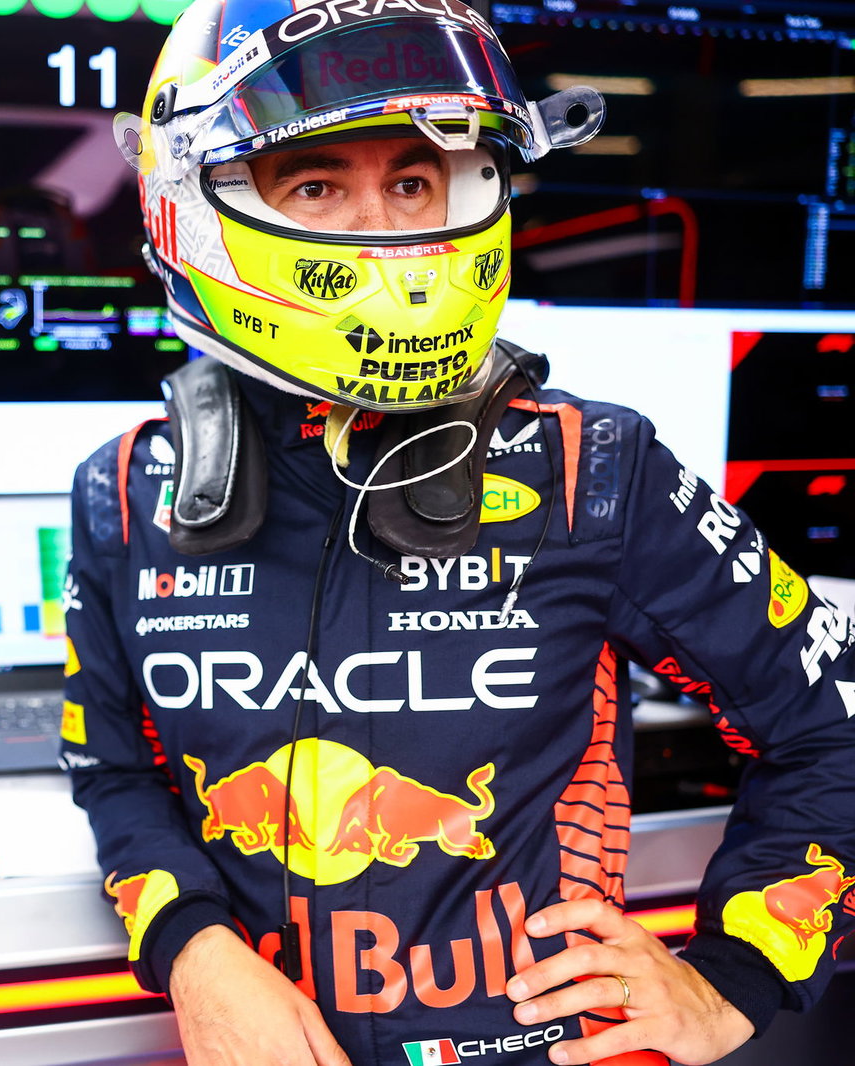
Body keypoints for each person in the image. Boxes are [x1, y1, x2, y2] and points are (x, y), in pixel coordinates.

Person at [58, 2, 855, 1064]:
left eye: (413, 182)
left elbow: (832, 724)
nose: (383, 228)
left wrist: (741, 975)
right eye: (316, 184)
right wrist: (194, 949)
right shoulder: (126, 492)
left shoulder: (594, 470)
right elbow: (111, 768)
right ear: (196, 210)